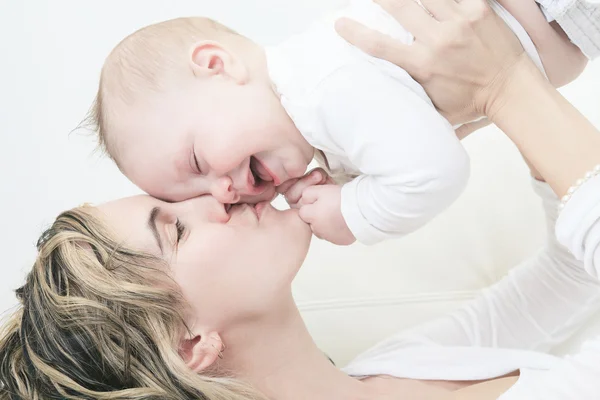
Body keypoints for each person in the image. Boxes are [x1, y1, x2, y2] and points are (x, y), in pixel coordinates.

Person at [87, 0, 572, 247]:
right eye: (201, 195)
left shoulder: (324, 89)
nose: (224, 193)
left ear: (219, 65)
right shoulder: (316, 115)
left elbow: (435, 172)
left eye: (197, 161)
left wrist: (355, 213)